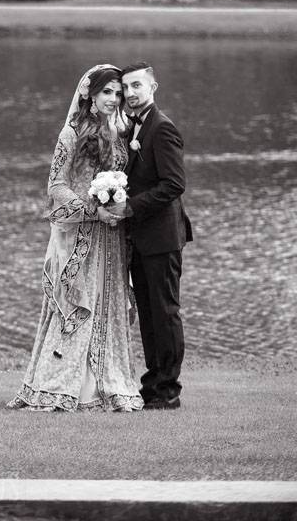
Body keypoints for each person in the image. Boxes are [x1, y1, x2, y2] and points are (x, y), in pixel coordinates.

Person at [7, 64, 143, 412]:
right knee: (79, 303)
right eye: (106, 92)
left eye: (117, 92)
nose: (114, 99)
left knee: (108, 303)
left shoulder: (122, 132)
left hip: (112, 237)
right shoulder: (71, 133)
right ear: (90, 94)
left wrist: (116, 201)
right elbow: (56, 186)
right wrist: (90, 206)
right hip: (82, 234)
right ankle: (62, 387)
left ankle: (105, 387)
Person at [108, 61, 193, 410]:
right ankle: (152, 383)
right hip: (141, 240)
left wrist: (130, 208)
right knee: (147, 313)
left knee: (165, 311)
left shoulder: (162, 128)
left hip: (162, 238)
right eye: (125, 87)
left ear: (152, 88)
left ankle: (168, 389)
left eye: (136, 86)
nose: (129, 93)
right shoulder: (134, 129)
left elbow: (174, 184)